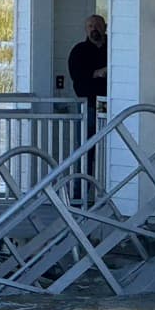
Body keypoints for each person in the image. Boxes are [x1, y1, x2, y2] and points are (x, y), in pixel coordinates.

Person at [68, 14, 107, 194]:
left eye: (97, 25)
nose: (94, 29)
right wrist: (98, 72)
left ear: (105, 27)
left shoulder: (113, 49)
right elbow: (78, 77)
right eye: (90, 25)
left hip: (111, 108)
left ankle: (106, 193)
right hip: (88, 107)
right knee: (85, 151)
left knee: (108, 151)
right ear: (86, 29)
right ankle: (80, 194)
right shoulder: (79, 51)